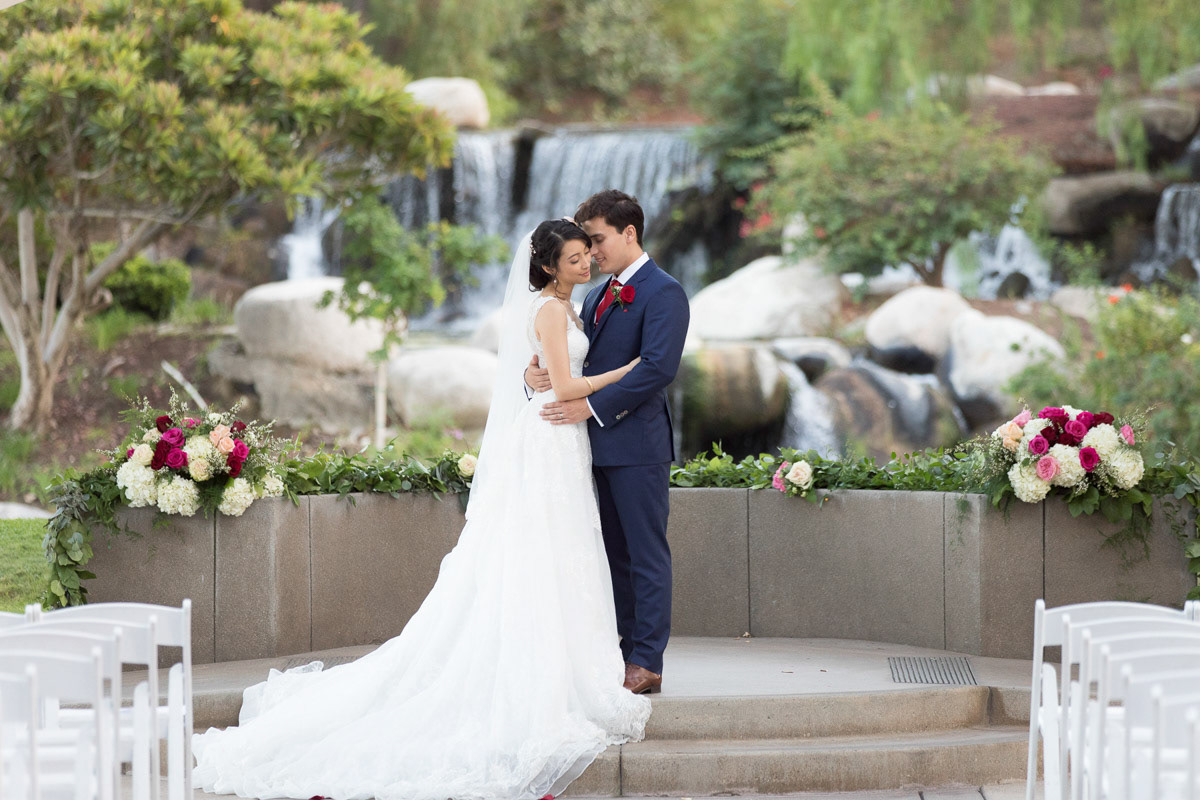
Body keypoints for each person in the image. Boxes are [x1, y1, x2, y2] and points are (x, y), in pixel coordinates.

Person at [191, 218, 651, 800]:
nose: (586, 264)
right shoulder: (552, 311)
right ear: (548, 266)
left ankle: (563, 658)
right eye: (576, 258)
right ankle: (544, 669)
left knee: (561, 549)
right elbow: (563, 388)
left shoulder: (564, 307)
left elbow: (543, 372)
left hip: (560, 438)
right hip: (553, 433)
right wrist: (626, 373)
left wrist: (533, 372)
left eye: (588, 254)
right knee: (544, 546)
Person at [525, 190, 690, 695]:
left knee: (645, 554)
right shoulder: (595, 295)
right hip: (587, 448)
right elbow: (571, 361)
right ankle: (618, 651)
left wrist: (592, 408)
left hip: (637, 447)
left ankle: (646, 660)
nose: (591, 253)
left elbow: (657, 368)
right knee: (611, 555)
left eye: (597, 241)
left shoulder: (664, 292)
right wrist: (533, 374)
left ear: (629, 233)